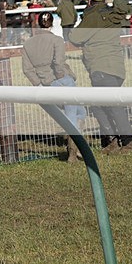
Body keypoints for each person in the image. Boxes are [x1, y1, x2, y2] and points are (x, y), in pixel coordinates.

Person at [69, 0, 132, 154]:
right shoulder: (113, 14)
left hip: (100, 66)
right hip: (116, 66)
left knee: (109, 106)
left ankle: (125, 142)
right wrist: (113, 1)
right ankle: (114, 141)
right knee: (103, 105)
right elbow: (126, 8)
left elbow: (75, 37)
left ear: (90, 0)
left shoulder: (92, 17)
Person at [21, 12, 86, 162]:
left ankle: (76, 148)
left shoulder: (28, 44)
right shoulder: (57, 40)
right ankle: (73, 152)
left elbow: (27, 69)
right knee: (74, 114)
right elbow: (59, 63)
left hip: (44, 83)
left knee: (78, 112)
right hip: (61, 80)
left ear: (38, 24)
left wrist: (39, 83)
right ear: (52, 24)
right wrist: (60, 76)